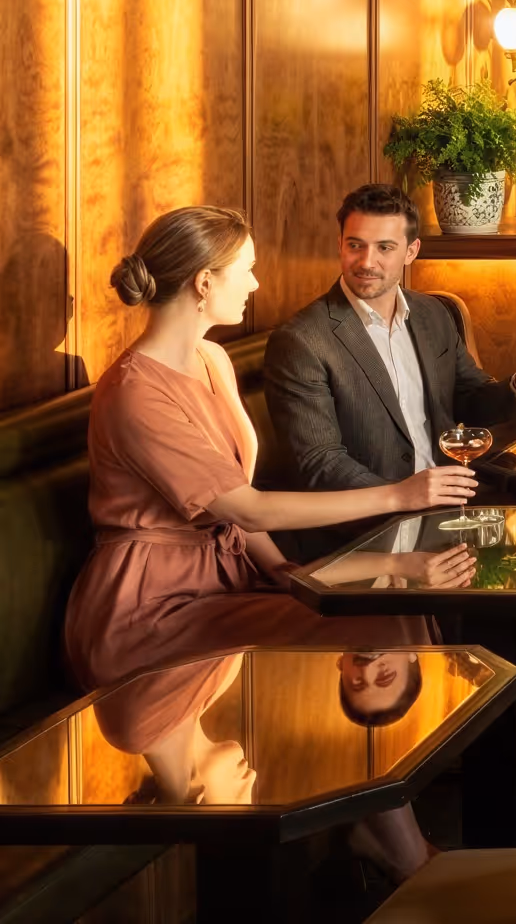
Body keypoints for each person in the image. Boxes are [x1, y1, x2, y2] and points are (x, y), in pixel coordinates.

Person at [66, 206, 478, 881]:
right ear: (204, 282)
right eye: (246, 269)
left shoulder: (210, 360)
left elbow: (237, 509)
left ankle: (380, 821)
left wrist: (288, 569)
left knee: (384, 606)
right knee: (365, 623)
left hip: (226, 578)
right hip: (150, 608)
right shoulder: (135, 393)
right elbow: (243, 505)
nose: (256, 284)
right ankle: (402, 851)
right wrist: (400, 496)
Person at [264, 183, 516, 557]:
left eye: (384, 248)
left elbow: (469, 400)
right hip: (369, 526)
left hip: (450, 506)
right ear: (340, 244)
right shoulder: (302, 340)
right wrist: (402, 497)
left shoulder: (432, 313)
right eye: (355, 245)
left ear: (411, 251)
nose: (367, 261)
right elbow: (319, 464)